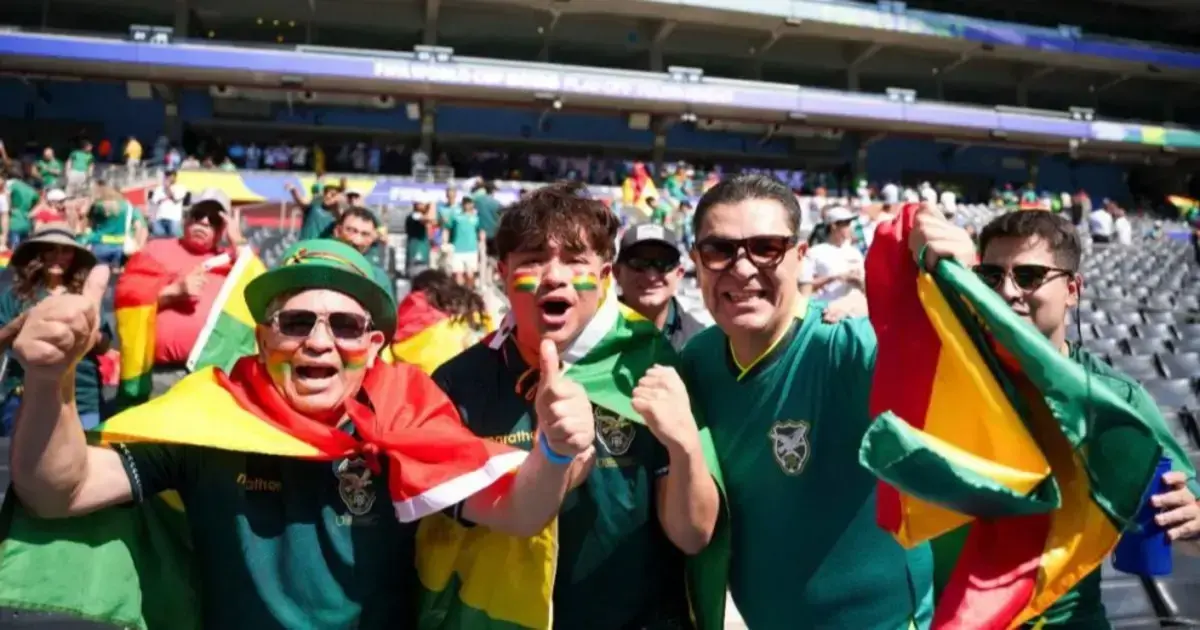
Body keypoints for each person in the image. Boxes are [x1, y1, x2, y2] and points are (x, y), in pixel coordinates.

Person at [7, 238, 594, 629]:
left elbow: (518, 513)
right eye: (295, 322)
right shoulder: (207, 417)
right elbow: (59, 491)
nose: (318, 341)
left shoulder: (408, 421)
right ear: (263, 339)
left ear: (373, 345)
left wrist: (553, 448)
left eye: (344, 325)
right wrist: (47, 379)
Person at [432, 182, 719, 630]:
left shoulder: (651, 365)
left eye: (574, 260)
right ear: (503, 273)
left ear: (605, 277)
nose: (554, 275)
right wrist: (552, 460)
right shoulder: (455, 384)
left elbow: (693, 535)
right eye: (532, 260)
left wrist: (684, 447)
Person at [911, 208, 1200, 628]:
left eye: (1028, 276)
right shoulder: (949, 372)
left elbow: (1184, 516)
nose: (1008, 291)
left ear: (1072, 290)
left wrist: (1192, 521)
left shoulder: (1115, 401)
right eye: (991, 275)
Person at [676, 174, 933, 629]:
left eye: (766, 247)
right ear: (697, 261)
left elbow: (952, 380)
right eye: (719, 250)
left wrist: (944, 290)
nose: (742, 268)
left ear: (799, 257)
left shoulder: (847, 346)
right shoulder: (698, 361)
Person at [116, 189, 245, 399]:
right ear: (186, 218)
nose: (203, 221)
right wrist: (173, 293)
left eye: (213, 219)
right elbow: (126, 300)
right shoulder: (155, 249)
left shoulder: (234, 262)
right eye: (198, 214)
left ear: (223, 228)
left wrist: (237, 238)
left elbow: (260, 293)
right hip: (157, 374)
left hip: (209, 379)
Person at [0, 223, 111, 434]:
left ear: (74, 256)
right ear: (37, 253)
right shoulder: (14, 296)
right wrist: (22, 322)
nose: (58, 256)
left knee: (81, 462)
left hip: (81, 397)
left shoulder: (85, 295)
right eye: (50, 249)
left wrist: (90, 331)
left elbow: (104, 346)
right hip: (25, 395)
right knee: (22, 463)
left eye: (66, 250)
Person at [613, 223, 712, 350]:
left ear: (679, 274)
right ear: (617, 272)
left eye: (663, 263)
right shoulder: (592, 333)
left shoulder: (700, 343)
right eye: (638, 263)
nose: (651, 276)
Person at [799, 205, 865, 302]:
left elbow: (866, 286)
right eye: (846, 223)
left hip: (853, 311)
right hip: (826, 309)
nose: (850, 227)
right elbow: (805, 287)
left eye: (850, 223)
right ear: (833, 226)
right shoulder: (815, 252)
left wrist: (859, 282)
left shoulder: (855, 253)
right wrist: (835, 278)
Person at [83, 183, 148, 268]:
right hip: (120, 247)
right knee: (116, 275)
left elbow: (88, 223)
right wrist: (137, 244)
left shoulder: (97, 206)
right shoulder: (128, 207)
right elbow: (139, 227)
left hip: (99, 244)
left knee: (98, 273)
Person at [444, 196, 483, 289]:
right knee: (458, 275)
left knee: (470, 275)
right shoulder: (456, 217)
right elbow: (447, 229)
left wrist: (481, 244)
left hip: (471, 250)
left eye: (469, 203)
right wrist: (445, 242)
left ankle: (469, 293)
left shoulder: (476, 218)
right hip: (458, 250)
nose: (467, 205)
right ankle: (460, 295)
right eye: (465, 203)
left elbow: (480, 232)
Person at [148, 169, 189, 238]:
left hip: (174, 219)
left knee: (174, 240)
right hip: (159, 219)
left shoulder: (181, 187)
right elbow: (154, 201)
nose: (169, 177)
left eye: (171, 176)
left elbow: (176, 199)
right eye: (167, 176)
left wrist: (168, 188)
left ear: (175, 177)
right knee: (159, 241)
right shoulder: (159, 188)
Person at [2, 171, 37, 251]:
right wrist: (30, 213)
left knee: (12, 252)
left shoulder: (11, 184)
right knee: (23, 252)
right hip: (26, 222)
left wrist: (9, 207)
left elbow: (6, 194)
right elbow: (38, 202)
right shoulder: (30, 188)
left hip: (13, 221)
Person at [404, 202, 436, 278]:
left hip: (424, 255)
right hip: (416, 255)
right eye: (422, 203)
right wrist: (432, 206)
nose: (425, 205)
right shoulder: (413, 216)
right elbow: (428, 219)